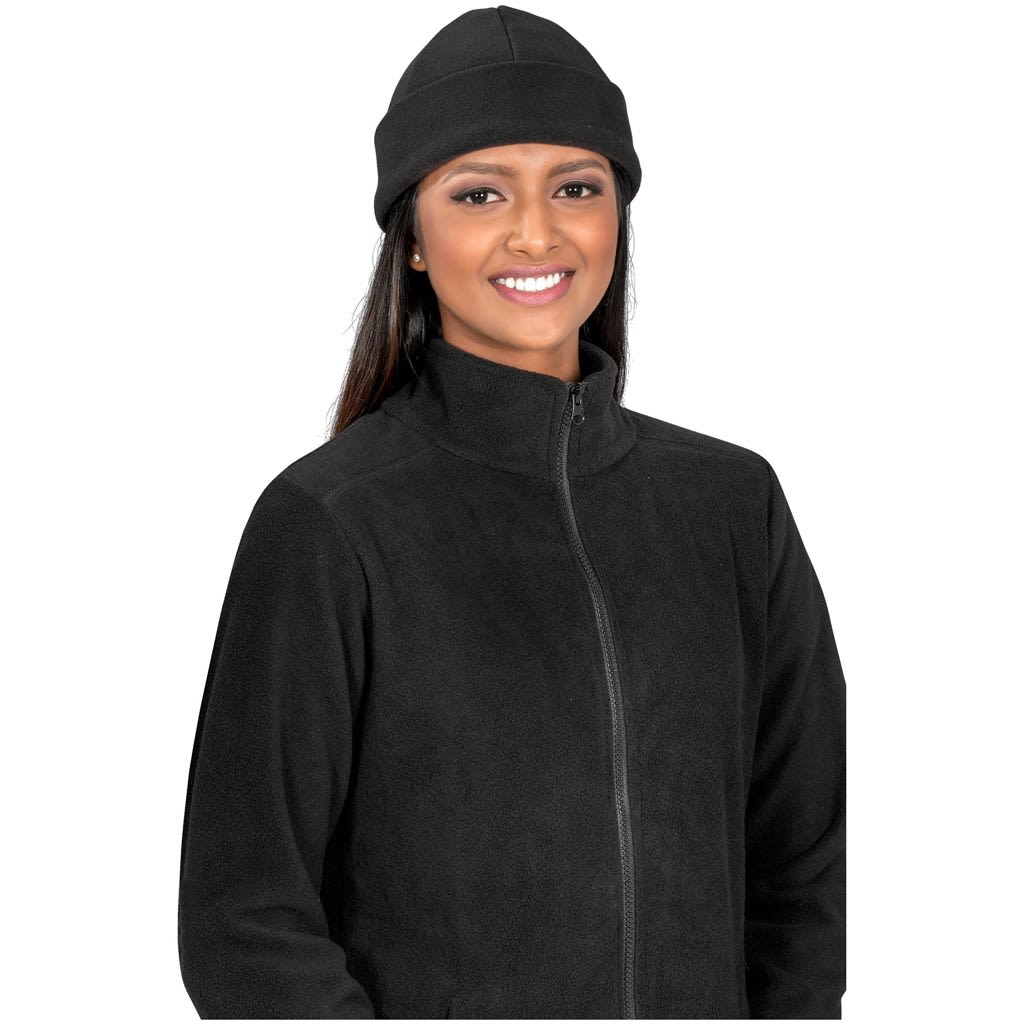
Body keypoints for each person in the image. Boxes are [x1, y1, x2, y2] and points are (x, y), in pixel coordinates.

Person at [177, 5, 846, 1020]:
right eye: (479, 192)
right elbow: (245, 919)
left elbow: (801, 870)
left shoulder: (730, 505)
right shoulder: (328, 523)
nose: (536, 232)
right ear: (413, 236)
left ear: (617, 214)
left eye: (576, 187)